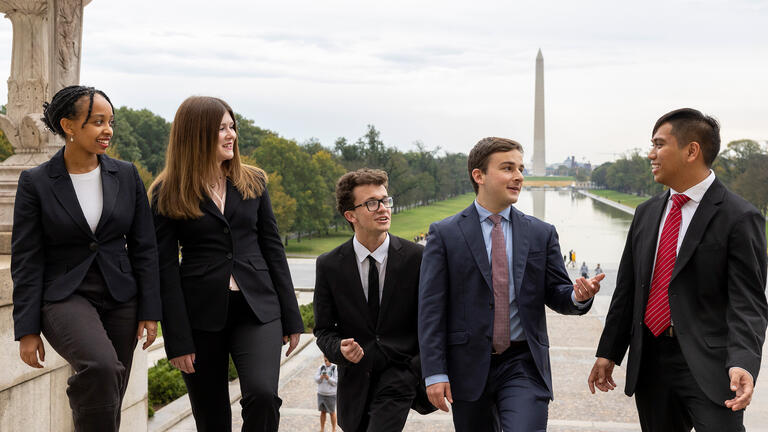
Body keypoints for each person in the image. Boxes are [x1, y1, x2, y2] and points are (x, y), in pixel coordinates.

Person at [588, 108, 768, 432]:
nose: (650, 154)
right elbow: (628, 291)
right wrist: (609, 352)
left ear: (691, 151)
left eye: (659, 144)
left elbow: (748, 304)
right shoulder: (646, 213)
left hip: (711, 366)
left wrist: (743, 362)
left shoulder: (740, 217)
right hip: (651, 363)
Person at [418, 137, 605, 431]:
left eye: (520, 168)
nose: (518, 176)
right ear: (478, 176)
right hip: (467, 366)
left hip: (523, 363)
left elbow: (557, 293)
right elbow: (430, 310)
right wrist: (434, 373)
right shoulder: (445, 234)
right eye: (507, 168)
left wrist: (577, 296)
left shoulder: (541, 233)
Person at [12, 85, 161, 431]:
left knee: (112, 390)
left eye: (111, 122)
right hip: (64, 295)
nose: (107, 130)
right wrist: (27, 329)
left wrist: (150, 311)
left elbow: (145, 247)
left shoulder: (126, 175)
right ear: (69, 126)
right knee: (102, 368)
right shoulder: (36, 182)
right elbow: (26, 258)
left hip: (122, 294)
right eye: (97, 122)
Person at [150, 96, 303, 432]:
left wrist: (292, 316)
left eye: (232, 126)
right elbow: (164, 269)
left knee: (263, 396)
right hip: (200, 316)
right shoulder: (166, 191)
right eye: (222, 128)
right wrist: (177, 340)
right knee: (212, 417)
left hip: (258, 309)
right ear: (197, 133)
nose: (231, 134)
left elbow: (273, 248)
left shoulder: (254, 181)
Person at [314, 168, 434, 432]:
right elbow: (323, 331)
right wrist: (340, 350)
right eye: (372, 203)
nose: (383, 208)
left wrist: (416, 367)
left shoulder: (417, 258)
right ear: (350, 215)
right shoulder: (329, 265)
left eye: (385, 200)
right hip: (355, 379)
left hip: (402, 374)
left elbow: (432, 320)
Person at [315, 357, 338, 432]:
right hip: (321, 393)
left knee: (332, 412)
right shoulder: (321, 367)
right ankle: (322, 428)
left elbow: (336, 382)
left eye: (327, 360)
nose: (326, 362)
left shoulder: (334, 368)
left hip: (331, 394)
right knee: (322, 412)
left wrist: (328, 378)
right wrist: (321, 377)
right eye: (325, 360)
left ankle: (333, 429)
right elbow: (316, 379)